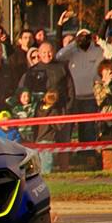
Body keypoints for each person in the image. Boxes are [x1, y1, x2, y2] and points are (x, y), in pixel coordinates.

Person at [19, 41, 75, 170]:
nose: (47, 55)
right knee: (41, 143)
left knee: (63, 141)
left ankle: (64, 169)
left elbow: (70, 89)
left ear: (54, 52)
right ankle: (40, 169)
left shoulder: (62, 68)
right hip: (40, 114)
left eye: (49, 52)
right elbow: (25, 91)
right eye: (44, 52)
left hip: (60, 111)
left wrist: (68, 109)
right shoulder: (32, 71)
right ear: (38, 54)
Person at [56, 27, 104, 161]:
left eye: (86, 37)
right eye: (81, 37)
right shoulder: (72, 52)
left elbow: (110, 54)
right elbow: (58, 56)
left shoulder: (98, 51)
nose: (84, 40)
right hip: (74, 97)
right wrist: (74, 43)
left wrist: (98, 41)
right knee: (69, 127)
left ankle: (87, 156)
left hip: (90, 96)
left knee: (88, 128)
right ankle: (67, 155)